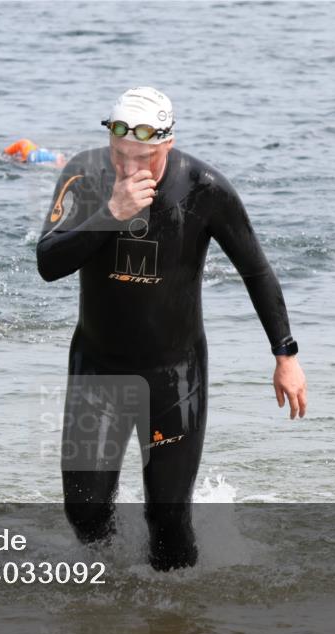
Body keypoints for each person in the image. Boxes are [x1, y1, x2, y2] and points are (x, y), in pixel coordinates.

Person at [35, 86, 307, 571]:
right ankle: (105, 610)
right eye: (120, 156)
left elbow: (256, 269)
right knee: (85, 514)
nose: (129, 170)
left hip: (174, 376)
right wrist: (110, 215)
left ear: (167, 144)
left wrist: (285, 355)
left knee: (168, 521)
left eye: (143, 159)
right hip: (98, 370)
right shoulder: (85, 174)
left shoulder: (205, 188)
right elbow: (48, 263)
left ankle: (176, 631)